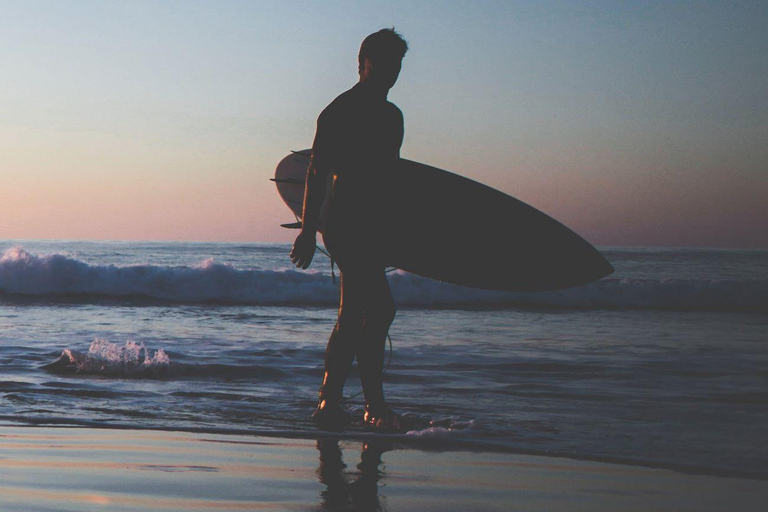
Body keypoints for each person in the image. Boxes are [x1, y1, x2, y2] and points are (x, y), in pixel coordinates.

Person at [290, 28, 408, 431]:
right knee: (379, 309)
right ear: (362, 64)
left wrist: (398, 234)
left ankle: (330, 400)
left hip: (374, 225)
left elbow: (391, 179)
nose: (391, 70)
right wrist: (308, 231)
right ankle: (371, 404)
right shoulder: (339, 111)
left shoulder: (393, 117)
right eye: (384, 61)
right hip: (343, 223)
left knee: (355, 312)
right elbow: (317, 173)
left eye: (397, 63)